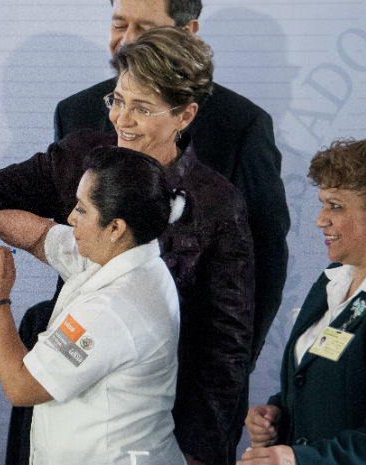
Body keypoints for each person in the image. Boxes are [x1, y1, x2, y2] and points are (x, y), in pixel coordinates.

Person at [0, 27, 254, 465]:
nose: (121, 119)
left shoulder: (217, 205)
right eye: (117, 100)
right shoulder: (86, 161)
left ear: (184, 116)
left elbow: (226, 346)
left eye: (141, 108)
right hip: (70, 399)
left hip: (143, 420)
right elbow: (36, 229)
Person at [54, 0, 289, 374]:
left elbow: (266, 261)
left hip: (188, 371)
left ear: (188, 32)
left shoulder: (242, 126)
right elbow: (62, 230)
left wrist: (231, 372)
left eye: (144, 29)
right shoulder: (76, 112)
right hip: (78, 358)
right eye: (119, 25)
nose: (127, 42)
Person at [0, 146, 186, 464]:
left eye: (82, 209)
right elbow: (40, 236)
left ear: (116, 228)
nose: (70, 217)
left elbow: (22, 386)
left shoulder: (113, 309)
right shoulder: (117, 252)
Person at [241, 126, 366, 465]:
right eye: (323, 204)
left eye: (335, 206)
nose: (321, 220)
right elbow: (328, 382)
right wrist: (279, 412)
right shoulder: (331, 282)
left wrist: (299, 459)